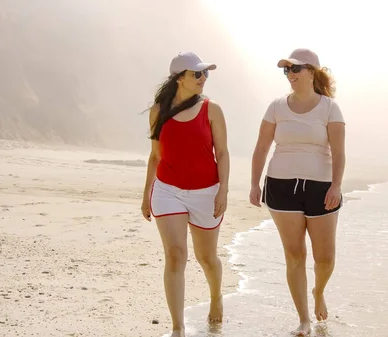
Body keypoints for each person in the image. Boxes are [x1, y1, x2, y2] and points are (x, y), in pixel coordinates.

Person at [249, 48, 346, 336]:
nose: (290, 75)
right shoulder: (277, 106)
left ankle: (318, 291)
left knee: (325, 258)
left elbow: (339, 152)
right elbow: (262, 147)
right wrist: (255, 183)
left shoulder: (330, 108)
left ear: (312, 72)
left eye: (295, 69)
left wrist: (337, 186)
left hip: (321, 187)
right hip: (281, 185)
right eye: (286, 70)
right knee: (294, 255)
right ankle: (303, 318)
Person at [140, 52, 230, 337]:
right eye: (197, 74)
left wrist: (223, 190)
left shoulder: (212, 109)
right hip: (167, 191)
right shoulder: (158, 111)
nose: (203, 79)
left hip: (207, 192)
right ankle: (178, 328)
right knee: (176, 255)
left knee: (207, 258)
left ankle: (216, 296)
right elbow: (155, 157)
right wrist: (146, 195)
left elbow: (223, 153)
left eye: (205, 74)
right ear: (180, 78)